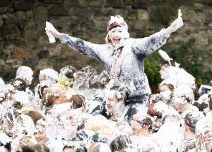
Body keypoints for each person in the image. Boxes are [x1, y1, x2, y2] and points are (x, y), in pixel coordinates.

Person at [45, 11, 184, 106]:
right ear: (108, 35)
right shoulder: (104, 50)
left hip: (138, 97)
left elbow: (151, 41)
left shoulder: (134, 46)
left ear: (126, 33)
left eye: (119, 31)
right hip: (115, 97)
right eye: (113, 31)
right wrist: (59, 35)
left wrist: (169, 30)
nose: (116, 34)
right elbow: (82, 45)